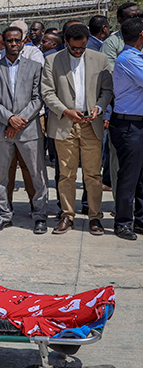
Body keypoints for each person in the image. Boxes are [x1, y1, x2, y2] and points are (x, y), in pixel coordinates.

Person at [41, 24, 113, 235]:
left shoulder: (99, 59)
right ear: (66, 43)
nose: (79, 51)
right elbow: (47, 92)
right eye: (75, 48)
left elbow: (107, 90)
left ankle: (94, 217)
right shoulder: (52, 61)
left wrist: (99, 107)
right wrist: (65, 111)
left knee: (93, 175)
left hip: (91, 124)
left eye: (82, 47)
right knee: (66, 174)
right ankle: (67, 215)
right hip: (65, 124)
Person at [0, 27, 49, 235]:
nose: (13, 44)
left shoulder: (34, 66)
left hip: (28, 130)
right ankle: (4, 215)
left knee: (37, 173)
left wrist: (20, 120)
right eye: (9, 41)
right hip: (1, 130)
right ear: (3, 43)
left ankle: (40, 215)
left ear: (23, 41)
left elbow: (38, 98)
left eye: (17, 40)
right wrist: (9, 119)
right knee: (0, 176)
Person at [108, 18, 143, 240]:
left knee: (140, 177)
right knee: (129, 176)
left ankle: (139, 220)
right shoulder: (128, 59)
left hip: (137, 123)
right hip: (129, 124)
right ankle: (123, 222)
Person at [101, 2, 142, 70]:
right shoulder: (111, 43)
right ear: (120, 20)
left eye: (140, 16)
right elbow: (110, 71)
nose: (138, 19)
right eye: (133, 17)